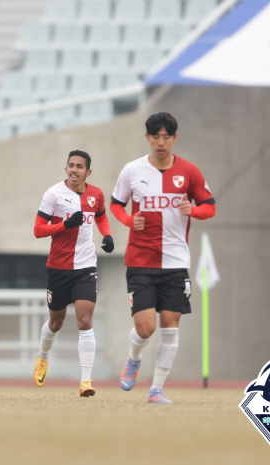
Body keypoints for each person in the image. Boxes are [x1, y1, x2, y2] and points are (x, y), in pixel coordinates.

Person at [110, 112, 216, 403]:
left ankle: (156, 390)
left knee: (171, 326)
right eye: (155, 136)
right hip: (141, 261)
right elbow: (116, 205)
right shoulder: (132, 170)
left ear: (174, 138)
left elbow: (209, 207)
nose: (160, 142)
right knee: (146, 328)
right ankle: (133, 359)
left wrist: (192, 210)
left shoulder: (189, 171)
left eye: (166, 137)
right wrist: (130, 221)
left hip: (175, 263)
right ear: (147, 138)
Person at [33, 150, 114, 397]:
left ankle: (86, 381)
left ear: (88, 172)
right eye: (70, 165)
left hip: (85, 266)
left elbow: (101, 217)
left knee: (85, 321)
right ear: (66, 168)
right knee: (56, 323)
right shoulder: (53, 194)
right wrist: (65, 225)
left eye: (79, 166)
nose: (74, 170)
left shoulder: (96, 194)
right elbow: (38, 230)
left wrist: (108, 235)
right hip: (58, 267)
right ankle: (42, 357)